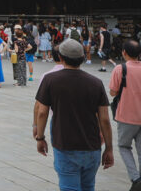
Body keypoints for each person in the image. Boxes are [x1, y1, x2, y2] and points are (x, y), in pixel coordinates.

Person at [35, 39, 114, 191]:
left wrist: (40, 137)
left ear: (61, 58)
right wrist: (109, 148)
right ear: (83, 59)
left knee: (69, 187)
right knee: (88, 187)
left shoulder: (50, 80)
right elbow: (104, 119)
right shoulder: (96, 83)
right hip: (92, 146)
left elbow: (42, 112)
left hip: (65, 145)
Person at [109, 39, 141, 189]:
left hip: (126, 116)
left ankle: (135, 178)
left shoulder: (120, 69)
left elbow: (113, 91)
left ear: (124, 52)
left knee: (124, 146)